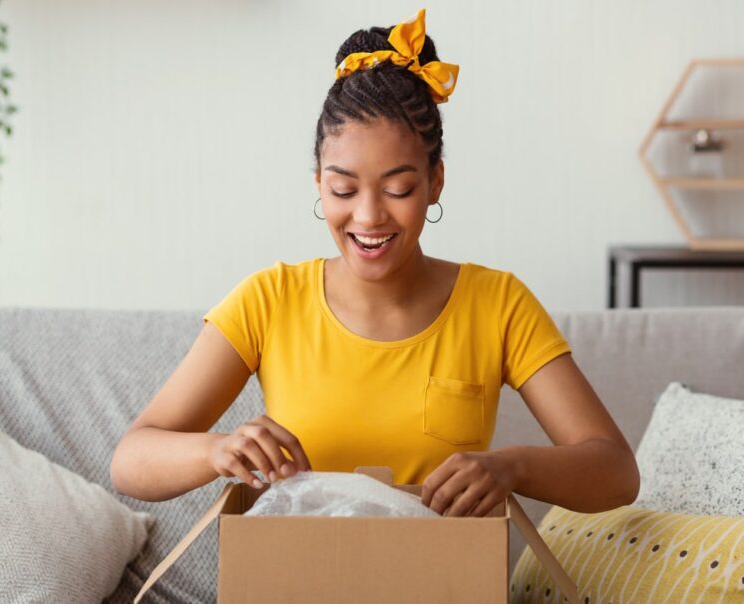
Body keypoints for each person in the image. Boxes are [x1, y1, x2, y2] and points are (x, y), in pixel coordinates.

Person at [110, 8, 639, 518]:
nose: (368, 216)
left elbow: (616, 473)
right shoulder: (268, 300)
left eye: (398, 188)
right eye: (343, 188)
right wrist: (217, 451)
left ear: (435, 183)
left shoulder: (498, 304)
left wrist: (513, 467)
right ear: (318, 182)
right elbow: (131, 460)